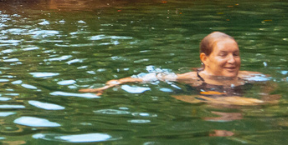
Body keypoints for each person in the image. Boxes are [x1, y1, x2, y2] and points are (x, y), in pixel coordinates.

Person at [79, 31, 267, 102]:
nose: (232, 60)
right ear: (205, 58)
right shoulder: (193, 78)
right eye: (223, 55)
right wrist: (111, 84)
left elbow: (269, 82)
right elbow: (148, 78)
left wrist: (270, 95)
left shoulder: (247, 76)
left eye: (235, 54)